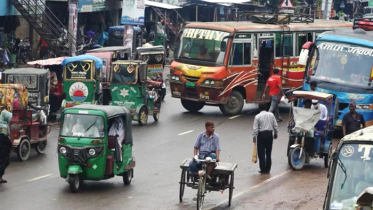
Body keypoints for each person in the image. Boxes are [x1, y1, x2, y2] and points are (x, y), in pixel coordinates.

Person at [253, 103, 279, 174]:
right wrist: (276, 133)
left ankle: (263, 169)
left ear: (259, 108)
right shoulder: (271, 115)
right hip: (269, 135)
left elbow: (256, 129)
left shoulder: (257, 117)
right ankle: (268, 168)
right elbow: (275, 125)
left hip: (261, 135)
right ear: (266, 108)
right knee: (268, 152)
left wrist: (254, 137)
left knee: (261, 153)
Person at [0, 107, 13, 183]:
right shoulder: (3, 126)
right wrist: (9, 145)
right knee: (4, 162)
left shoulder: (3, 123)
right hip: (2, 148)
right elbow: (3, 138)